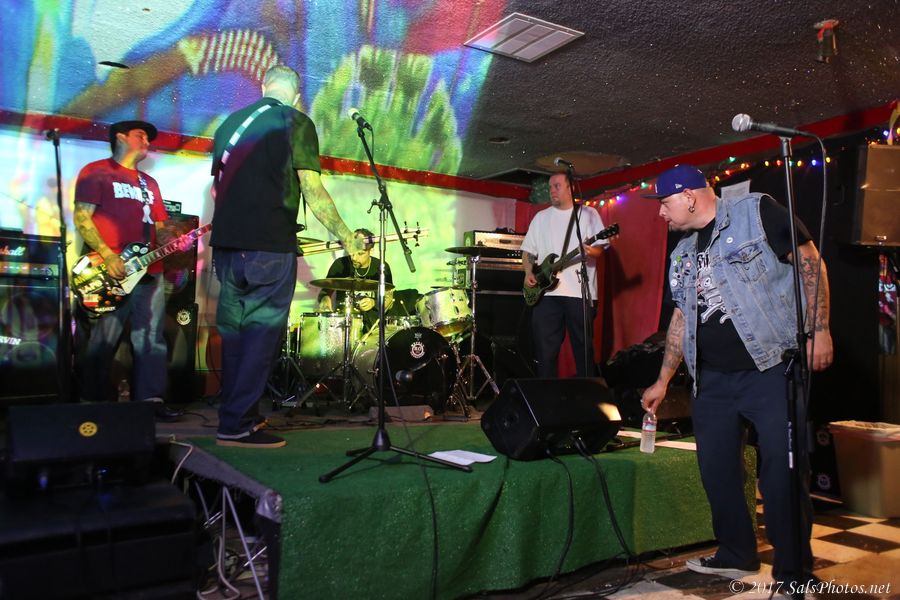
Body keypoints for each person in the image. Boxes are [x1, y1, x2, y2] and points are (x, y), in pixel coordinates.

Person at [640, 165, 833, 598]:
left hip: (771, 369)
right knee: (718, 471)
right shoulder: (682, 253)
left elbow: (809, 262)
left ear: (689, 197)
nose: (661, 214)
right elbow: (680, 318)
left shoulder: (756, 212)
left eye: (664, 204)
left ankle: (794, 572)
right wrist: (663, 379)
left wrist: (819, 329)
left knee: (782, 474)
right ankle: (736, 553)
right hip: (711, 381)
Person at [210, 65, 361, 448]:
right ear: (296, 95)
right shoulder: (294, 120)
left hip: (226, 250)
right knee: (261, 337)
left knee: (234, 336)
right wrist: (346, 237)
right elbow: (312, 189)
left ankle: (233, 418)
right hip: (269, 247)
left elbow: (216, 190)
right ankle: (238, 425)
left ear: (264, 86)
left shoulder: (228, 125)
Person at [73, 120, 184, 421]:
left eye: (148, 137)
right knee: (103, 337)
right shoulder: (96, 171)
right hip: (110, 271)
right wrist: (108, 256)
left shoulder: (150, 184)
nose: (147, 141)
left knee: (151, 337)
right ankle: (92, 402)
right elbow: (82, 217)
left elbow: (160, 228)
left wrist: (173, 239)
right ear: (121, 137)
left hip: (149, 270)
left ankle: (151, 401)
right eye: (140, 135)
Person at [521, 172, 608, 377]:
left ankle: (586, 392)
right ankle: (547, 393)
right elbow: (528, 252)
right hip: (546, 295)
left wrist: (589, 251)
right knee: (545, 352)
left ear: (570, 188)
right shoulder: (541, 218)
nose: (552, 191)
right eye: (550, 187)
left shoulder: (588, 214)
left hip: (579, 293)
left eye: (557, 186)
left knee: (583, 349)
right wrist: (528, 272)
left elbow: (599, 250)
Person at [317, 228, 394, 333]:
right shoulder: (340, 265)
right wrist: (325, 300)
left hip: (373, 327)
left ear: (371, 251)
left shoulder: (381, 267)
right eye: (352, 252)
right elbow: (325, 292)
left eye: (360, 254)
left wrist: (374, 303)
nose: (354, 258)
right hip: (342, 325)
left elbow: (389, 300)